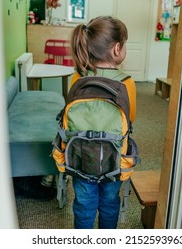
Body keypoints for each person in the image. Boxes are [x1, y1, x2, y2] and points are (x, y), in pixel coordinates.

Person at [69, 16, 137, 229]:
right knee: (109, 204)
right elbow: (130, 119)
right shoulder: (127, 83)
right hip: (113, 160)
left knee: (84, 205)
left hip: (80, 158)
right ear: (117, 49)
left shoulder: (76, 77)